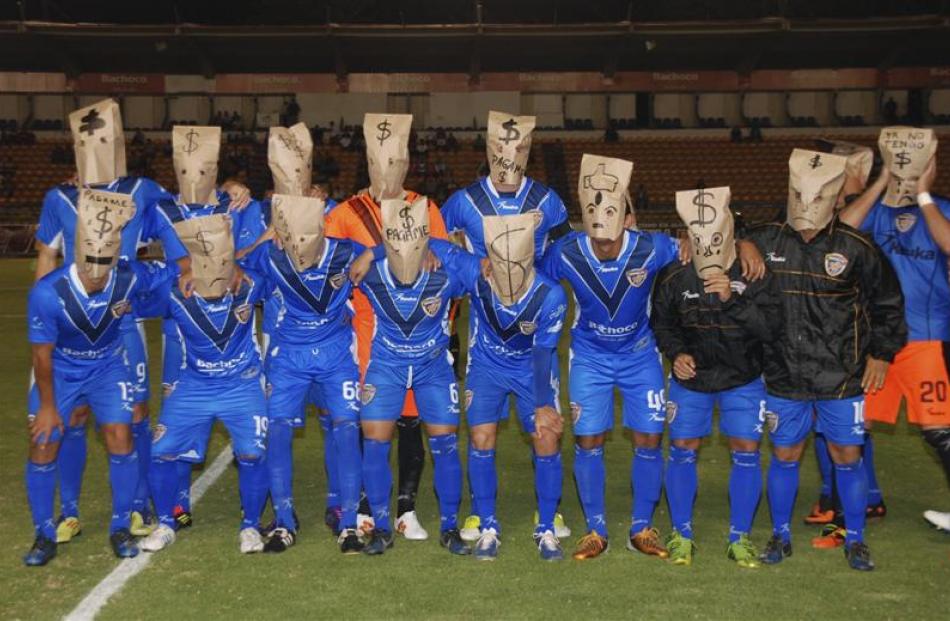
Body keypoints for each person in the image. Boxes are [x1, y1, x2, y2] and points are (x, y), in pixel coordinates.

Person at [32, 99, 192, 544]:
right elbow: (47, 253)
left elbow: (179, 236)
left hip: (123, 322)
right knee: (74, 415)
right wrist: (47, 310)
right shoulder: (59, 197)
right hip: (71, 321)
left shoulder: (143, 191)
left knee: (135, 413)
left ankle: (137, 506)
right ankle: (69, 511)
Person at [748, 149, 906, 571]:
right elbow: (720, 241)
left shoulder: (857, 248)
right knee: (784, 455)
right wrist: (725, 241)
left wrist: (882, 355)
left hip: (842, 376)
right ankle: (779, 534)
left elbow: (889, 304)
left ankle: (854, 537)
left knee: (846, 456)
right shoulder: (764, 240)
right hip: (784, 373)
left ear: (838, 198)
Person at [23, 189, 179, 565]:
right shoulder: (48, 293)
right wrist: (46, 406)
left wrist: (202, 267)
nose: (96, 274)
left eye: (104, 265)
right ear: (76, 253)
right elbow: (41, 356)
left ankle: (120, 524)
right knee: (44, 441)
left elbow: (177, 268)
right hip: (62, 369)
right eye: (89, 264)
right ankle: (45, 532)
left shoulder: (127, 276)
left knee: (120, 435)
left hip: (109, 366)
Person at [440, 111, 573, 541]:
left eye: (518, 149)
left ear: (527, 151)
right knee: (481, 432)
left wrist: (541, 281)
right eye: (502, 148)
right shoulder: (465, 200)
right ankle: (482, 514)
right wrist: (468, 262)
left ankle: (548, 513)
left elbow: (565, 246)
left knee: (545, 428)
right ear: (490, 150)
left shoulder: (547, 200)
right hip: (486, 327)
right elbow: (437, 243)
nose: (509, 155)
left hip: (533, 317)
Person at [539, 154, 679, 560]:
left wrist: (740, 243)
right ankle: (595, 528)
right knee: (588, 439)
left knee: (650, 438)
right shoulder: (567, 250)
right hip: (589, 357)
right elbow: (531, 275)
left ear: (627, 221)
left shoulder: (653, 247)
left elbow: (695, 250)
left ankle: (641, 526)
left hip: (640, 356)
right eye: (595, 234)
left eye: (610, 235)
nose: (602, 243)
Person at [325, 113, 449, 540]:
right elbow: (325, 266)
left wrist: (376, 252)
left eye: (396, 160)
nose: (388, 169)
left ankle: (406, 508)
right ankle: (363, 505)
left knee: (411, 421)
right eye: (380, 161)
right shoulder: (345, 212)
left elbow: (443, 262)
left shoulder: (425, 207)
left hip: (417, 333)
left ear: (408, 163)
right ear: (368, 162)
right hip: (367, 333)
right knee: (371, 422)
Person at [652, 186, 780, 568]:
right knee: (682, 450)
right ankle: (682, 533)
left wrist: (733, 299)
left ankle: (739, 537)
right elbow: (661, 324)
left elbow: (771, 329)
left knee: (746, 453)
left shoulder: (753, 270)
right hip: (692, 382)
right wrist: (676, 354)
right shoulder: (675, 276)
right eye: (697, 234)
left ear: (732, 233)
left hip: (743, 379)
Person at [149, 125, 266, 530]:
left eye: (206, 168)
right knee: (178, 422)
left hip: (230, 327)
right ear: (176, 168)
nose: (196, 175)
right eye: (187, 167)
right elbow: (121, 244)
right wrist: (179, 266)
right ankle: (177, 506)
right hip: (179, 332)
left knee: (243, 418)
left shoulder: (237, 205)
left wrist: (239, 188)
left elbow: (256, 256)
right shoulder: (160, 208)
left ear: (217, 170)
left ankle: (249, 512)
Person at [837, 127, 950, 533]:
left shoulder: (941, 209)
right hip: (878, 345)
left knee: (940, 431)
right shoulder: (876, 212)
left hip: (927, 340)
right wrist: (881, 181)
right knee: (855, 426)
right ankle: (858, 505)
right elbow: (840, 232)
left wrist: (923, 193)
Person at [437, 214, 568, 560]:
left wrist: (543, 404)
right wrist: (381, 254)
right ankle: (489, 526)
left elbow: (543, 351)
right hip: (487, 367)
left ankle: (547, 528)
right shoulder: (475, 273)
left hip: (531, 370)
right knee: (481, 438)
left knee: (546, 435)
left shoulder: (551, 294)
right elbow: (431, 244)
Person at [137, 215, 269, 555]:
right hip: (194, 384)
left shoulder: (250, 284)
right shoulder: (175, 292)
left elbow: (280, 261)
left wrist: (239, 266)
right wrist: (178, 271)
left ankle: (251, 526)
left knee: (252, 453)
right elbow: (135, 295)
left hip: (242, 383)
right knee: (161, 452)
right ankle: (167, 522)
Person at [348, 197, 468, 556]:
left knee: (445, 444)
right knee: (375, 441)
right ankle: (382, 527)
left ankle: (449, 526)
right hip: (386, 364)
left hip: (433, 365)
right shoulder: (368, 269)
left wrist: (438, 247)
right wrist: (374, 253)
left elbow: (487, 267)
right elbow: (323, 250)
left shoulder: (446, 266)